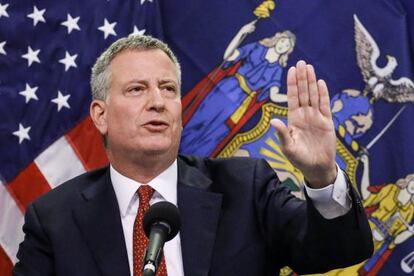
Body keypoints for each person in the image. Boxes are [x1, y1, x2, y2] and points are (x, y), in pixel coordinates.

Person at [13, 35, 373, 276]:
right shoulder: (55, 220)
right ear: (100, 115)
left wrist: (323, 175)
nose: (157, 101)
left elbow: (336, 251)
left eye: (168, 88)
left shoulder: (244, 188)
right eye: (137, 89)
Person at [180, 20, 296, 157]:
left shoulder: (277, 69)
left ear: (288, 51)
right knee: (201, 116)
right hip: (228, 87)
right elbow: (229, 56)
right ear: (277, 39)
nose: (283, 46)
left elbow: (274, 95)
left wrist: (295, 97)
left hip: (241, 102)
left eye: (287, 45)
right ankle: (174, 142)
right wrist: (242, 32)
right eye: (283, 41)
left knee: (217, 130)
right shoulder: (257, 48)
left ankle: (189, 158)